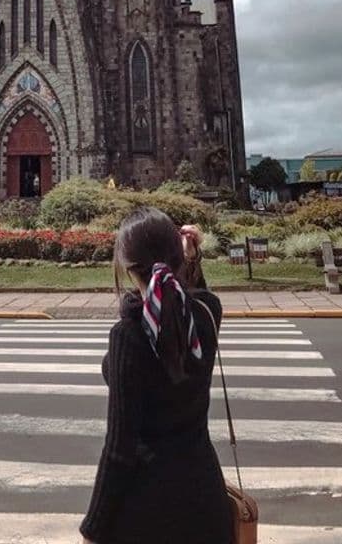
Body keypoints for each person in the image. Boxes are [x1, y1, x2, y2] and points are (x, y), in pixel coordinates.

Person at [80, 209, 231, 544]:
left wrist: (94, 528)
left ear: (128, 268)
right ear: (178, 256)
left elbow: (120, 449)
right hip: (206, 505)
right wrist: (190, 261)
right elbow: (191, 301)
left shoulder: (129, 336)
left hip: (146, 513)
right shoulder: (208, 314)